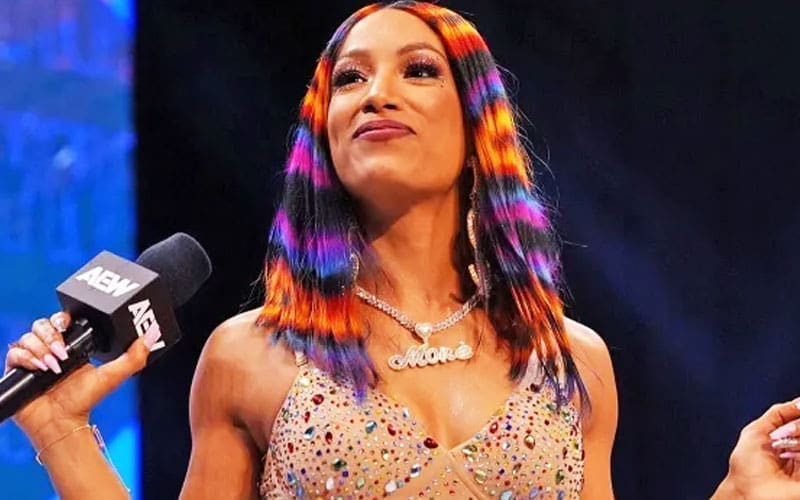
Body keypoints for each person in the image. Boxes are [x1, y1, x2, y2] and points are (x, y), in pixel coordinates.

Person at [2, 2, 797, 499]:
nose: (376, 94)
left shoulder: (570, 360)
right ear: (325, 135)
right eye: (349, 80)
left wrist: (739, 492)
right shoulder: (250, 356)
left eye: (418, 71)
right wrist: (59, 428)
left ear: (477, 125)